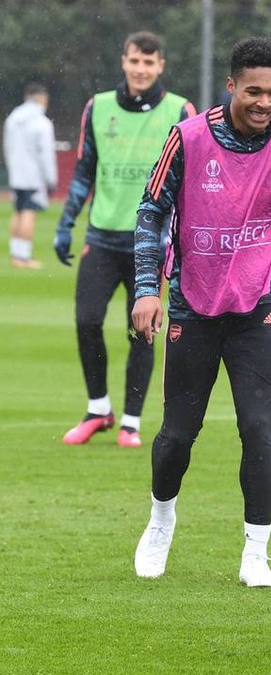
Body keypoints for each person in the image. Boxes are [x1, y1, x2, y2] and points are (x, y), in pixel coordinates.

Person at [129, 36, 271, 587]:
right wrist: (146, 288)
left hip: (256, 307)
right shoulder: (188, 139)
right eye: (254, 92)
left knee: (256, 425)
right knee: (178, 434)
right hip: (192, 307)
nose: (265, 102)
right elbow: (151, 213)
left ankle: (255, 554)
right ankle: (160, 521)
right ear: (230, 87)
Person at [54, 32, 195, 448]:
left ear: (160, 67)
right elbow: (84, 170)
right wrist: (67, 223)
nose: (140, 69)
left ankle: (131, 421)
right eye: (135, 61)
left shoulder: (180, 110)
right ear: (124, 61)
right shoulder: (97, 107)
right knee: (86, 321)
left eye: (149, 63)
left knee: (143, 332)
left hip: (150, 243)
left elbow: (186, 182)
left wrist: (179, 242)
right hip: (101, 236)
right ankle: (99, 408)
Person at [3, 83, 57, 269]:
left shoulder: (13, 119)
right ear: (42, 99)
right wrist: (51, 179)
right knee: (28, 212)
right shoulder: (41, 123)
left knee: (18, 211)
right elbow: (46, 154)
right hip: (33, 176)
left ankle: (15, 254)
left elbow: (7, 147)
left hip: (16, 173)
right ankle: (24, 257)